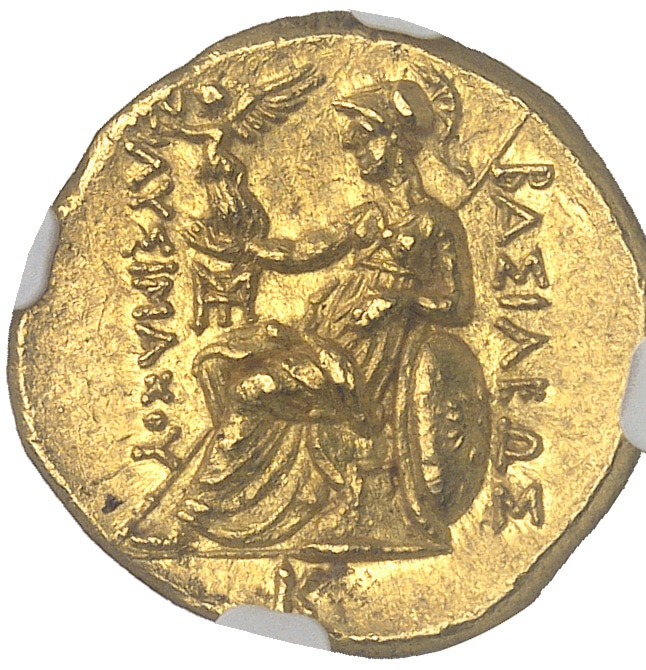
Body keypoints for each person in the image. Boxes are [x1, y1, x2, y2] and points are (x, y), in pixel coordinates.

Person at [128, 78, 489, 558]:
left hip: (376, 352)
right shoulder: (369, 217)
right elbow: (303, 252)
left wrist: (400, 300)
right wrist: (242, 250)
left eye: (363, 138)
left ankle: (193, 518)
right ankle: (232, 500)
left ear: (395, 143)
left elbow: (458, 305)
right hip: (328, 332)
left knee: (252, 391)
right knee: (220, 360)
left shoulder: (434, 223)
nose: (353, 150)